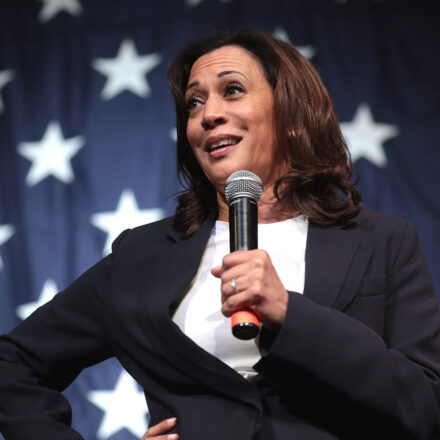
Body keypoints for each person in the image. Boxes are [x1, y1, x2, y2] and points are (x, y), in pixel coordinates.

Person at [1, 28, 440, 440]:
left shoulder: (383, 241)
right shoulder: (142, 255)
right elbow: (11, 364)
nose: (208, 115)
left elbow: (426, 405)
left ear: (291, 114)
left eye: (232, 90)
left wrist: (292, 314)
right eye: (193, 103)